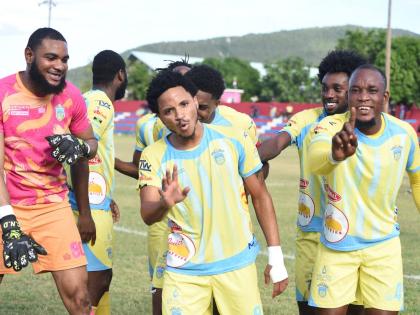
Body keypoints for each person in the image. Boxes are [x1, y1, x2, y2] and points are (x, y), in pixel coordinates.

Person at [138, 70, 288, 314]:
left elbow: (260, 196)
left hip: (237, 267)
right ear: (160, 118)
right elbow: (147, 213)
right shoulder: (153, 155)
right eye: (169, 111)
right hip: (184, 273)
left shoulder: (233, 139)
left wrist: (277, 257)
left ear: (195, 102)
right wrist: (165, 203)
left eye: (184, 104)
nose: (180, 116)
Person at [257, 50, 366, 315]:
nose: (329, 94)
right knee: (308, 308)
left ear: (353, 90)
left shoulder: (366, 125)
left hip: (353, 237)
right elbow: (275, 144)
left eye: (337, 88)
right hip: (311, 234)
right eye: (325, 87)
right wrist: (246, 160)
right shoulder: (306, 119)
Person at [0, 27, 98, 314]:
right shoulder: (3, 93)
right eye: (51, 57)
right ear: (29, 56)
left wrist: (80, 148)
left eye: (65, 59)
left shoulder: (71, 97)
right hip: (7, 204)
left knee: (80, 300)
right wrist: (8, 223)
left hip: (53, 207)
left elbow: (91, 145)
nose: (60, 66)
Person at [307, 64, 420, 314]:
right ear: (348, 97)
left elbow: (417, 180)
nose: (364, 97)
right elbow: (316, 161)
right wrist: (334, 156)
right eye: (356, 90)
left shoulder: (404, 134)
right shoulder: (329, 127)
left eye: (372, 90)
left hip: (383, 247)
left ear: (385, 97)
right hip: (337, 248)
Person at [115, 59, 190, 315]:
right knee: (161, 284)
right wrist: (110, 161)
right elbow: (140, 169)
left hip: (201, 217)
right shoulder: (146, 125)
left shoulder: (205, 122)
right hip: (162, 217)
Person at [68, 50, 127, 315]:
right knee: (97, 281)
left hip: (94, 200)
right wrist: (87, 211)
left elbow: (95, 158)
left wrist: (106, 195)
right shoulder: (100, 103)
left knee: (102, 280)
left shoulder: (89, 99)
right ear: (120, 75)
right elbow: (80, 149)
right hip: (87, 206)